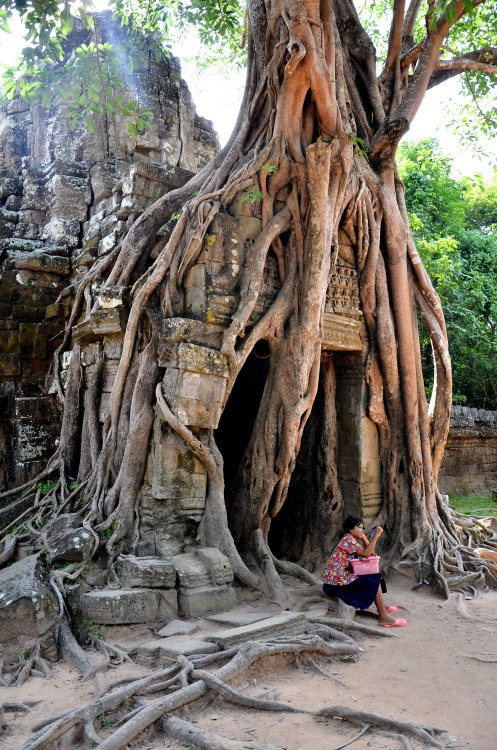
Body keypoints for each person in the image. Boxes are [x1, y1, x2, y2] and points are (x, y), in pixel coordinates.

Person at [322, 515, 407, 627]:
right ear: (351, 530)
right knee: (373, 579)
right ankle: (383, 617)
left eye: (362, 528)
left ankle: (383, 607)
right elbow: (367, 554)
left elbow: (370, 553)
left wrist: (363, 537)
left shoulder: (349, 538)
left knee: (374, 576)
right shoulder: (348, 539)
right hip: (335, 584)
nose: (362, 530)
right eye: (360, 528)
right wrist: (376, 536)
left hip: (336, 580)